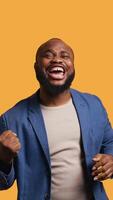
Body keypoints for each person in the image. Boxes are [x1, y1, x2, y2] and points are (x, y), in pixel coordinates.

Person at [0, 38, 113, 200]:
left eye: (65, 56)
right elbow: (3, 183)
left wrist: (111, 160)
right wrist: (3, 158)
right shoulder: (11, 119)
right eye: (48, 55)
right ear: (36, 67)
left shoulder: (94, 105)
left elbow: (110, 143)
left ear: (73, 67)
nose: (57, 59)